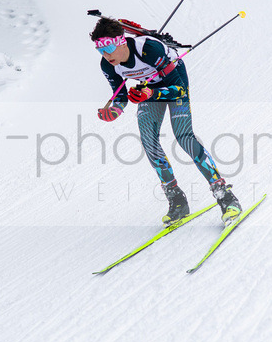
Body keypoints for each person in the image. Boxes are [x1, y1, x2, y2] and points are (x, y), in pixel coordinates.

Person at [90, 15, 242, 225]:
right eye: (100, 50)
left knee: (184, 137)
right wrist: (114, 111)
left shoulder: (149, 50)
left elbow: (178, 89)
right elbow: (120, 96)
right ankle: (177, 200)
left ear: (121, 42)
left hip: (173, 81)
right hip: (148, 86)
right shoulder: (108, 66)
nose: (105, 55)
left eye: (108, 49)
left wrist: (151, 95)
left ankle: (226, 197)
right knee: (148, 141)